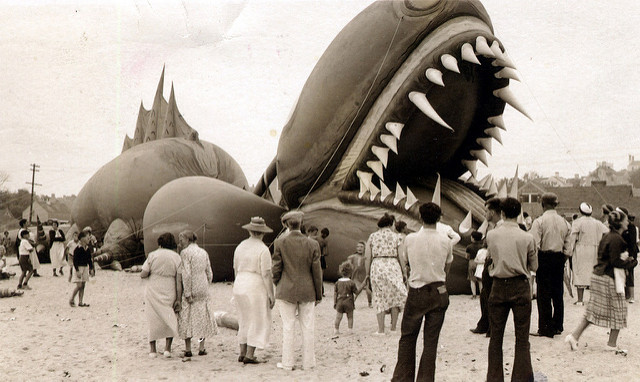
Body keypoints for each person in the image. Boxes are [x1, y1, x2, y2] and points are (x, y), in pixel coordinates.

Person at [392, 202, 453, 382]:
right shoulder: (446, 241)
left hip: (417, 289)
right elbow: (446, 267)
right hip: (437, 289)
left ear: (420, 217)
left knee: (408, 338)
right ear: (439, 218)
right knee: (431, 342)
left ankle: (403, 378)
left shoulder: (409, 239)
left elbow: (406, 261)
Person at [565, 209, 638, 355]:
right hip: (608, 278)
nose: (627, 222)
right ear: (619, 223)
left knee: (593, 311)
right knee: (619, 310)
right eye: (625, 220)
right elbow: (615, 261)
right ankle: (611, 344)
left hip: (599, 276)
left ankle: (574, 337)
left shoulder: (608, 236)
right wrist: (631, 263)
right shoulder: (617, 239)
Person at [484, 197, 537, 382]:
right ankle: (521, 378)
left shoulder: (491, 235)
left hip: (498, 285)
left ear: (502, 213)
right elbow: (535, 266)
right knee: (522, 337)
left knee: (496, 337)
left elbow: (490, 259)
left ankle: (494, 378)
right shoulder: (527, 237)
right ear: (519, 213)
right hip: (520, 286)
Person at [272, 210, 323, 371]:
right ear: (301, 224)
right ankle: (308, 363)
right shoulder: (312, 244)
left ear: (287, 225)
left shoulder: (280, 242)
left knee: (288, 327)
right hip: (307, 290)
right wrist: (318, 293)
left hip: (286, 290)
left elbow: (276, 269)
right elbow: (317, 272)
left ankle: (288, 363)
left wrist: (276, 282)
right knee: (308, 327)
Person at [232, 217, 275, 364]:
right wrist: (271, 294)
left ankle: (242, 352)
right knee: (257, 319)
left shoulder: (240, 246)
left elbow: (235, 268)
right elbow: (266, 273)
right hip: (254, 285)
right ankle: (249, 354)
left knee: (243, 318)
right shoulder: (263, 249)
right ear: (262, 233)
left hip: (240, 282)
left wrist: (237, 284)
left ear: (250, 231)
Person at [530, 192, 571, 338]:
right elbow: (568, 247)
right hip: (559, 258)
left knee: (543, 294)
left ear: (542, 204)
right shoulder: (565, 223)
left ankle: (545, 328)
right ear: (556, 205)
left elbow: (535, 245)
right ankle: (558, 325)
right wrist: (562, 259)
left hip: (544, 257)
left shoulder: (539, 222)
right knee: (558, 293)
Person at [140, 232, 182, 358]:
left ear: (160, 243)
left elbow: (144, 273)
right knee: (169, 317)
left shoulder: (153, 255)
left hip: (154, 288)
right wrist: (179, 298)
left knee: (153, 319)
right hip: (170, 288)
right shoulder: (176, 257)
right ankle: (167, 349)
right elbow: (179, 280)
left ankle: (152, 350)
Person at [365, 213, 407, 335]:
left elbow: (368, 257)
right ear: (390, 224)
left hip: (377, 265)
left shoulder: (373, 236)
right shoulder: (397, 237)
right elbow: (401, 256)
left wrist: (367, 273)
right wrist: (404, 272)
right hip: (393, 265)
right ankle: (393, 328)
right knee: (394, 296)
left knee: (379, 297)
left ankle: (381, 330)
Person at [176, 230, 217, 358]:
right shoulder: (203, 252)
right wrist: (206, 283)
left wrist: (187, 292)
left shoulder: (185, 253)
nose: (180, 243)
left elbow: (186, 273)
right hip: (203, 285)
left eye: (181, 240)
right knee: (202, 317)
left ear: (188, 240)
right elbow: (209, 271)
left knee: (186, 317)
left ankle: (188, 349)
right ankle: (201, 347)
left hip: (192, 286)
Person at [566, 202, 608, 305]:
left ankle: (580, 300)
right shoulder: (597, 222)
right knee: (592, 273)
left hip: (581, 250)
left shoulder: (577, 222)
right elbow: (606, 232)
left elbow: (573, 238)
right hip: (594, 251)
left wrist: (569, 252)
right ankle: (593, 300)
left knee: (580, 273)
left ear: (580, 211)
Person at [470, 198, 502, 335]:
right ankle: (484, 323)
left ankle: (488, 326)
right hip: (490, 262)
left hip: (493, 263)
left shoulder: (499, 229)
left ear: (493, 212)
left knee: (489, 296)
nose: (485, 214)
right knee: (485, 295)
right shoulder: (494, 227)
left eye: (486, 211)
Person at [69, 230, 95, 307]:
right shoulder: (77, 249)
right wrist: (77, 270)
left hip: (85, 268)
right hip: (78, 268)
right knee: (79, 285)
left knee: (83, 285)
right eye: (88, 238)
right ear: (82, 238)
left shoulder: (87, 249)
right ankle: (72, 299)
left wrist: (91, 268)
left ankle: (80, 302)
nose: (89, 239)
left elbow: (89, 260)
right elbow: (75, 261)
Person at [617, 207, 638, 303]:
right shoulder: (619, 226)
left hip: (629, 253)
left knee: (629, 274)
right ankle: (626, 295)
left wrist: (631, 255)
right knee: (622, 274)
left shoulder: (631, 227)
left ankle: (631, 296)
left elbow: (633, 242)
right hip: (621, 253)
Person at [333, 261, 359, 337]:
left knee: (338, 317)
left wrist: (335, 302)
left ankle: (336, 329)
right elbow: (356, 292)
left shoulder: (337, 282)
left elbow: (335, 293)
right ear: (351, 272)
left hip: (340, 301)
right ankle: (350, 330)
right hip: (349, 302)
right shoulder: (351, 282)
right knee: (350, 316)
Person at [348, 241, 372, 308]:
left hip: (365, 275)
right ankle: (352, 303)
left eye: (361, 247)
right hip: (356, 276)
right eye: (358, 246)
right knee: (356, 290)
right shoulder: (352, 257)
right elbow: (348, 265)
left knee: (368, 291)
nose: (359, 248)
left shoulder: (366, 257)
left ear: (365, 248)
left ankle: (370, 302)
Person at [466, 231, 484, 298]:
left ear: (473, 238)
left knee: (472, 279)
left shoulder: (469, 247)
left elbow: (467, 256)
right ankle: (481, 294)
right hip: (480, 263)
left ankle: (474, 294)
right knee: (480, 280)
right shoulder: (482, 246)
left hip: (472, 262)